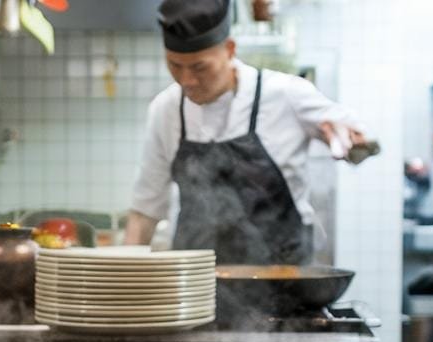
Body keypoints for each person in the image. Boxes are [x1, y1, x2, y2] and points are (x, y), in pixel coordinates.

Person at [124, 0, 369, 265]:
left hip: (282, 282)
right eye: (174, 65)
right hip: (198, 283)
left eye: (199, 67)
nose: (187, 81)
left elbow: (359, 145)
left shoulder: (286, 95)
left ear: (229, 49)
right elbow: (145, 210)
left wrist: (353, 144)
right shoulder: (166, 109)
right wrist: (120, 279)